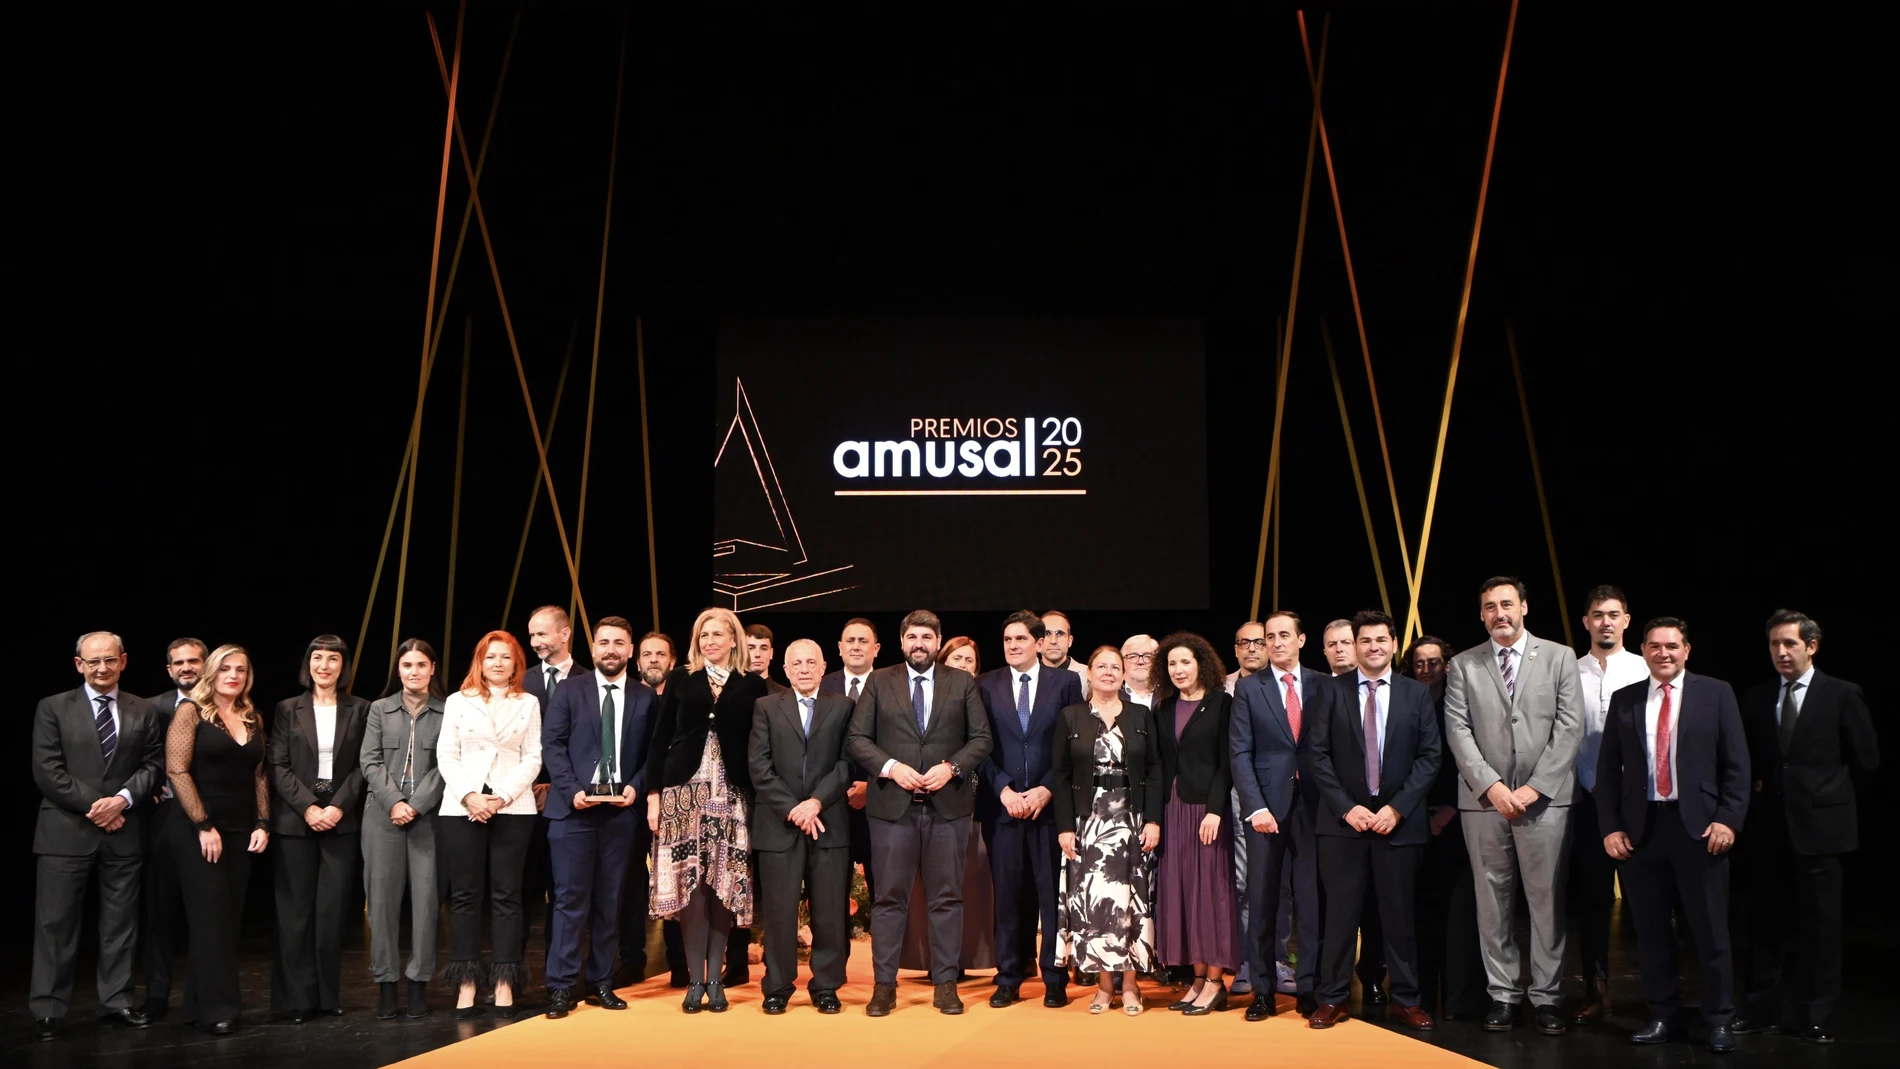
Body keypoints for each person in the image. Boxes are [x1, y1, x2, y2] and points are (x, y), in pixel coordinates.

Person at [1595, 617, 1747, 1053]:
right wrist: (1611, 827)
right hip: (1643, 830)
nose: (1664, 653)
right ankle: (1663, 1015)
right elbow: (1607, 773)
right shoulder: (1625, 700)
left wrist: (1729, 819)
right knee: (1651, 930)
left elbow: (1737, 764)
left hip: (1700, 829)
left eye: (1672, 646)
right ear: (1643, 649)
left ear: (1687, 650)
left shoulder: (1716, 693)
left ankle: (1719, 1018)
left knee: (1710, 930)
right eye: (1656, 646)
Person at [1442, 577, 1583, 1036]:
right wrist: (1493, 787)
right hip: (1485, 805)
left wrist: (1535, 787)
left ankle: (1547, 996)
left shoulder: (1560, 657)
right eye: (1489, 607)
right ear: (1481, 614)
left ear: (1524, 606)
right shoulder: (1463, 664)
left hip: (1546, 803)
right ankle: (1502, 995)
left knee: (1546, 902)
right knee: (1492, 904)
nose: (1498, 613)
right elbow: (1458, 732)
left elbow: (1569, 727)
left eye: (1506, 604)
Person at [1734, 610, 1877, 1044]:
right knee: (1765, 925)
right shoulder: (1757, 697)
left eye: (1790, 644)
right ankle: (1761, 1010)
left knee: (1820, 927)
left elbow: (1867, 760)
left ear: (1811, 646)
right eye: (1775, 643)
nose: (1780, 652)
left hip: (1821, 830)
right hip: (1768, 831)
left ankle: (1815, 1014)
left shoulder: (1842, 694)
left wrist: (1830, 800)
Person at [845, 609, 993, 1017]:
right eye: (912, 637)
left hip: (949, 809)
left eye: (927, 637)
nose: (919, 644)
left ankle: (945, 984)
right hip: (892, 809)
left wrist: (952, 768)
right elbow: (858, 738)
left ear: (937, 640)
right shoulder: (879, 681)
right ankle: (884, 987)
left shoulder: (960, 682)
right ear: (902, 641)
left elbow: (982, 739)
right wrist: (892, 768)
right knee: (889, 900)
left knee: (947, 898)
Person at [1306, 610, 1440, 1032]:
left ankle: (1406, 999)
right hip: (1343, 825)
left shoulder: (1415, 694)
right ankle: (1332, 998)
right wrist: (1347, 807)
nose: (1373, 647)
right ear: (1356, 645)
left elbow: (1429, 756)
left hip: (1398, 824)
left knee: (1399, 917)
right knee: (1341, 917)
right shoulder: (1331, 691)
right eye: (1365, 641)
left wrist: (1397, 808)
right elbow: (1317, 755)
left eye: (1381, 639)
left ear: (1394, 644)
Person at [31, 632, 167, 1041]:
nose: (102, 668)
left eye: (110, 660)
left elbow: (153, 763)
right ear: (79, 665)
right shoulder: (53, 707)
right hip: (66, 832)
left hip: (124, 832)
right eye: (93, 662)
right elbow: (47, 770)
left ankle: (117, 1001)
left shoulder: (142, 709)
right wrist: (100, 806)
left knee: (120, 924)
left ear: (123, 661)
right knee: (56, 925)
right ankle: (50, 1009)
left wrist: (122, 800)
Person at [645, 607, 769, 1014]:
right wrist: (652, 794)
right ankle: (694, 982)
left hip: (732, 797)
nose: (711, 641)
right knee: (691, 891)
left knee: (722, 887)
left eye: (718, 634)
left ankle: (717, 979)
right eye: (703, 635)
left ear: (734, 639)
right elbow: (659, 739)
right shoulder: (681, 679)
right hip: (683, 796)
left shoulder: (753, 686)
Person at [542, 617, 654, 1020]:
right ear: (593, 649)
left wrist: (636, 787)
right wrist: (573, 790)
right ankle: (560, 986)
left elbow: (651, 756)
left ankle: (601, 982)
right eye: (603, 642)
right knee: (570, 900)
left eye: (619, 643)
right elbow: (551, 745)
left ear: (630, 651)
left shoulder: (645, 697)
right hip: (574, 812)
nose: (610, 649)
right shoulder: (570, 691)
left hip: (621, 814)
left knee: (611, 901)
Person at [1231, 611, 1336, 1020]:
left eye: (1283, 635)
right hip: (1265, 810)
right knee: (1262, 900)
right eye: (1268, 637)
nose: (1275, 643)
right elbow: (1239, 751)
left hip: (1315, 806)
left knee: (1310, 901)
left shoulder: (1323, 685)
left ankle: (1308, 987)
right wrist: (1255, 805)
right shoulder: (1249, 688)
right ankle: (1263, 991)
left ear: (1301, 640)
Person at [977, 612, 1084, 1007]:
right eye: (1007, 639)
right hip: (1002, 808)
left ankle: (1054, 977)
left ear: (1039, 643)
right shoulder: (986, 684)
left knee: (1050, 896)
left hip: (1050, 809)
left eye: (1021, 638)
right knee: (1006, 896)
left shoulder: (1066, 683)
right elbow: (979, 745)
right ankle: (1007, 977)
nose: (1013, 645)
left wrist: (1046, 790)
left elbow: (1076, 745)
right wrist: (1003, 789)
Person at [436, 630, 543, 1019]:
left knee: (507, 895)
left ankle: (503, 980)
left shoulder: (528, 702)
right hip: (462, 806)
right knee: (464, 896)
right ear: (479, 662)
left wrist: (502, 797)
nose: (498, 664)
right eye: (491, 657)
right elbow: (446, 754)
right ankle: (466, 981)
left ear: (517, 664)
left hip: (512, 808)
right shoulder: (457, 701)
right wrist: (470, 797)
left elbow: (533, 756)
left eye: (506, 657)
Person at [165, 644, 271, 1034]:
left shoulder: (253, 716)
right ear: (212, 671)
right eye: (225, 668)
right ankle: (220, 1009)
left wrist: (263, 822)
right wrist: (203, 824)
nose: (233, 675)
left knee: (228, 916)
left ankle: (196, 1004)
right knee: (211, 917)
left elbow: (259, 773)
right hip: (199, 828)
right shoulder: (190, 711)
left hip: (241, 828)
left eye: (241, 669)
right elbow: (176, 771)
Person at [1054, 645, 1163, 1017]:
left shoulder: (1140, 715)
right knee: (1097, 909)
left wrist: (1153, 819)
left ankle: (1131, 985)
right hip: (1089, 822)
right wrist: (1066, 827)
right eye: (1101, 666)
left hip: (1131, 821)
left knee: (1132, 904)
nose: (1108, 672)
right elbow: (1061, 775)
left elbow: (1154, 770)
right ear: (1089, 673)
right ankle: (1103, 987)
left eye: (1115, 667)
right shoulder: (1070, 717)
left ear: (1123, 674)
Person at [269, 634, 372, 1023]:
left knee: (330, 915)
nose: (324, 665)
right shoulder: (286, 708)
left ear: (343, 666)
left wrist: (337, 807)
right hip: (296, 822)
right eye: (317, 658)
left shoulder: (360, 709)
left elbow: (364, 765)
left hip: (340, 822)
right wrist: (309, 807)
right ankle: (297, 1000)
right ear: (307, 664)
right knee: (295, 914)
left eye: (333, 659)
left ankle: (327, 997)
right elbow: (277, 765)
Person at [749, 638, 855, 1014]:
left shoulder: (843, 706)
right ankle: (777, 985)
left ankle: (826, 985)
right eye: (798, 663)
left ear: (824, 666)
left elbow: (847, 764)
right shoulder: (765, 707)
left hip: (829, 822)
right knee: (779, 912)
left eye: (812, 662)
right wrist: (794, 808)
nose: (805, 668)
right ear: (787, 668)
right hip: (780, 824)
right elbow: (759, 766)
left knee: (829, 911)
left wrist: (815, 803)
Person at [1152, 631, 1240, 1015]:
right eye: (1172, 663)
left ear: (1201, 664)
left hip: (1206, 812)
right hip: (1173, 810)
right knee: (1183, 895)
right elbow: (1157, 767)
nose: (1178, 669)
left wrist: (1215, 811)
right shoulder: (1164, 708)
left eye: (1185, 661)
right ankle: (1199, 979)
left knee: (1211, 896)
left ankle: (1217, 982)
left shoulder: (1223, 704)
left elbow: (1226, 764)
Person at [1570, 585, 1647, 1025]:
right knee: (1593, 905)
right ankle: (1595, 993)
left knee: (1646, 903)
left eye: (1613, 614)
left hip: (1636, 805)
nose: (1605, 622)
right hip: (1585, 804)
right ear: (1586, 622)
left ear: (1626, 620)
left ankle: (1657, 994)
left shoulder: (1644, 668)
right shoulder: (1568, 670)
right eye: (1597, 614)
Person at [361, 638, 447, 1020]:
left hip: (428, 816)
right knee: (380, 902)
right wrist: (395, 802)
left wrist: (414, 805)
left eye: (421, 665)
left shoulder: (449, 711)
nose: (414, 671)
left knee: (427, 904)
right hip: (382, 816)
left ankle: (418, 984)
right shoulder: (379, 709)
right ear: (398, 670)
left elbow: (447, 765)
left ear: (432, 669)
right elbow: (370, 760)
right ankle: (385, 983)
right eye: (407, 665)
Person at [901, 636, 995, 977]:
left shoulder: (984, 697)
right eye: (956, 659)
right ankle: (935, 964)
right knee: (935, 886)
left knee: (969, 886)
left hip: (977, 803)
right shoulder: (926, 695)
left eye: (970, 661)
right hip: (934, 800)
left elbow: (986, 744)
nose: (963, 666)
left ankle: (965, 961)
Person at [1407, 634, 1487, 1021]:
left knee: (1459, 914)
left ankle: (1461, 1000)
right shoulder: (1404, 702)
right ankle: (1418, 995)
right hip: (1413, 818)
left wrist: (1450, 811)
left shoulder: (1463, 704)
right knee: (1419, 911)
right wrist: (1420, 811)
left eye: (1434, 662)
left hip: (1459, 818)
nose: (1426, 670)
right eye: (1419, 663)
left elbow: (1474, 759)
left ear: (1447, 666)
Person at [139, 637, 205, 1021]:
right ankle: (157, 995)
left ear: (205, 662)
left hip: (210, 822)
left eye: (193, 660)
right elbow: (140, 760)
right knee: (160, 913)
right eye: (178, 662)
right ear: (169, 669)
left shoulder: (225, 704)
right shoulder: (152, 708)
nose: (186, 668)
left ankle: (201, 995)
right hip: (164, 819)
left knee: (205, 914)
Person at [1322, 618, 1386, 1004]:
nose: (1343, 649)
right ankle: (1333, 989)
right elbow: (1317, 754)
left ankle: (1375, 976)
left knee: (1379, 907)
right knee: (1336, 909)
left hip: (1386, 817)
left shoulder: (1398, 690)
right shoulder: (1322, 688)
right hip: (1332, 817)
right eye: (1335, 644)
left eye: (1349, 641)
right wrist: (1345, 807)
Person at [617, 630, 683, 988]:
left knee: (674, 876)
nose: (654, 659)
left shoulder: (683, 696)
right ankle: (631, 959)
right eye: (647, 654)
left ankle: (679, 960)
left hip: (674, 801)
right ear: (637, 659)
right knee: (630, 881)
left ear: (672, 661)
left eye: (661, 653)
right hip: (628, 801)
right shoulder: (625, 697)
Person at [821, 617, 881, 959]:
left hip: (881, 803)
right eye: (850, 640)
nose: (856, 646)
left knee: (882, 887)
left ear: (876, 649)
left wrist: (871, 787)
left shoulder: (893, 684)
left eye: (863, 641)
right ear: (840, 648)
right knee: (832, 890)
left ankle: (886, 966)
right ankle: (834, 962)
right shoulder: (823, 684)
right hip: (831, 806)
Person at [523, 606, 582, 945]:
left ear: (564, 633)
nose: (535, 642)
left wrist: (560, 785)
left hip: (569, 801)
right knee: (520, 891)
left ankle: (558, 976)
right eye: (532, 635)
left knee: (566, 894)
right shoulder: (521, 680)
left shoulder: (589, 681)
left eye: (542, 634)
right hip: (523, 800)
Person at [1220, 621, 1268, 999]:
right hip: (1235, 795)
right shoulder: (1222, 688)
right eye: (1244, 643)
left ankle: (1278, 960)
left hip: (1282, 795)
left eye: (1259, 641)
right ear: (1235, 649)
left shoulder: (1291, 684)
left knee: (1276, 885)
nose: (1252, 648)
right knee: (1239, 883)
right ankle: (1243, 963)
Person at [1040, 611, 1089, 681]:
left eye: (1059, 634)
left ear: (1069, 641)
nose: (1053, 641)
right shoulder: (1026, 676)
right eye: (1047, 634)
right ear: (1038, 641)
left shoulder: (1088, 675)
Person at [746, 624, 790, 694]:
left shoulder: (786, 695)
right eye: (751, 648)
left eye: (764, 649)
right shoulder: (730, 694)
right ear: (741, 652)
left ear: (771, 653)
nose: (757, 654)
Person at [1120, 634, 1159, 707]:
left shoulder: (1169, 696)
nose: (1140, 662)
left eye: (1148, 656)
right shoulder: (1111, 697)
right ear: (1122, 662)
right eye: (1133, 656)